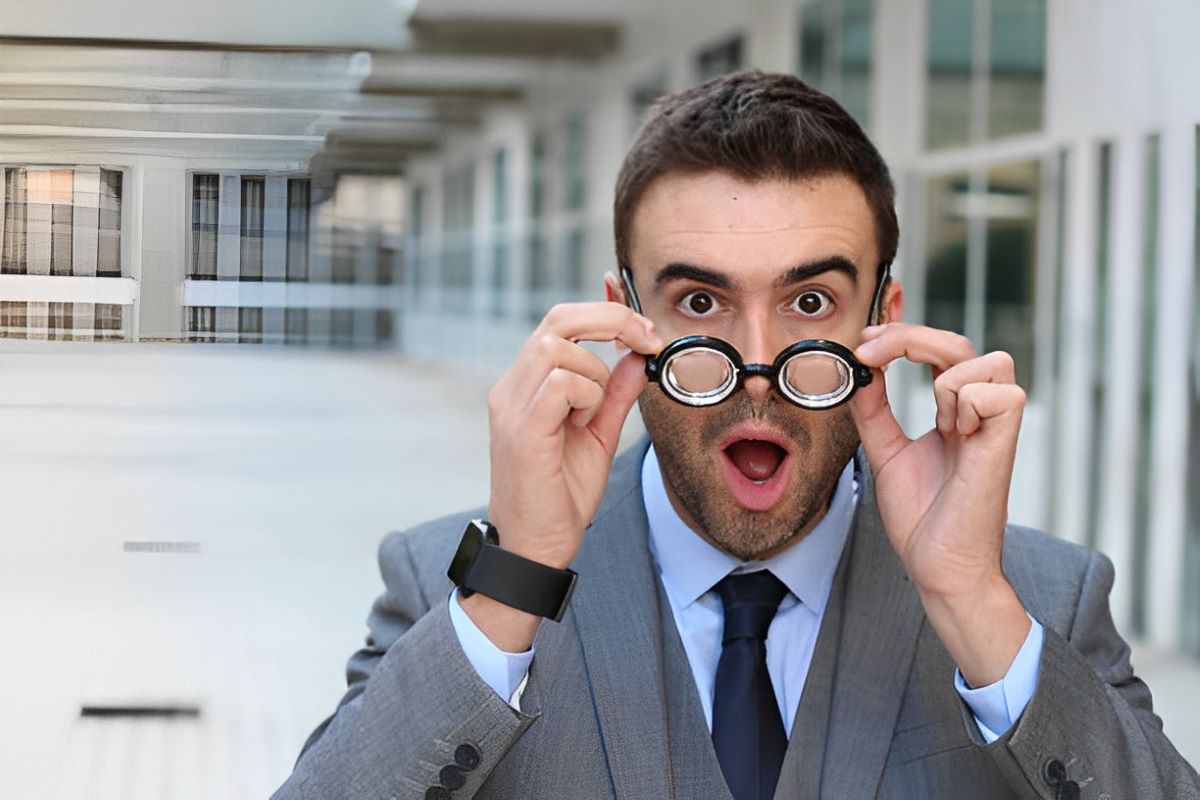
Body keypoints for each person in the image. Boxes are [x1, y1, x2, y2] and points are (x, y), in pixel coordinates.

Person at [273, 71, 1199, 799]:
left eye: (809, 303)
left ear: (886, 319)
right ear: (621, 318)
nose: (757, 372)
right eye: (702, 301)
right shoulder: (454, 584)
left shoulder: (1039, 601)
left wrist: (971, 604)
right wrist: (519, 577)